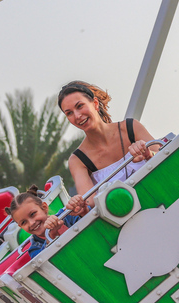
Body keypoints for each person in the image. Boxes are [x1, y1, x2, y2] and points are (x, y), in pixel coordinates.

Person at [58, 80, 159, 209]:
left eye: (80, 106)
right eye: (69, 113)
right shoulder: (78, 160)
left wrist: (149, 155)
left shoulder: (131, 128)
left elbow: (167, 157)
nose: (77, 116)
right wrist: (78, 206)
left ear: (95, 103)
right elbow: (90, 205)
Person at [5, 185, 87, 258]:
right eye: (23, 222)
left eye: (33, 214)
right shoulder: (34, 249)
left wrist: (82, 211)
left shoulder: (66, 215)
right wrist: (52, 235)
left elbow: (92, 225)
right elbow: (46, 261)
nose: (31, 223)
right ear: (20, 226)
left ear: (44, 207)